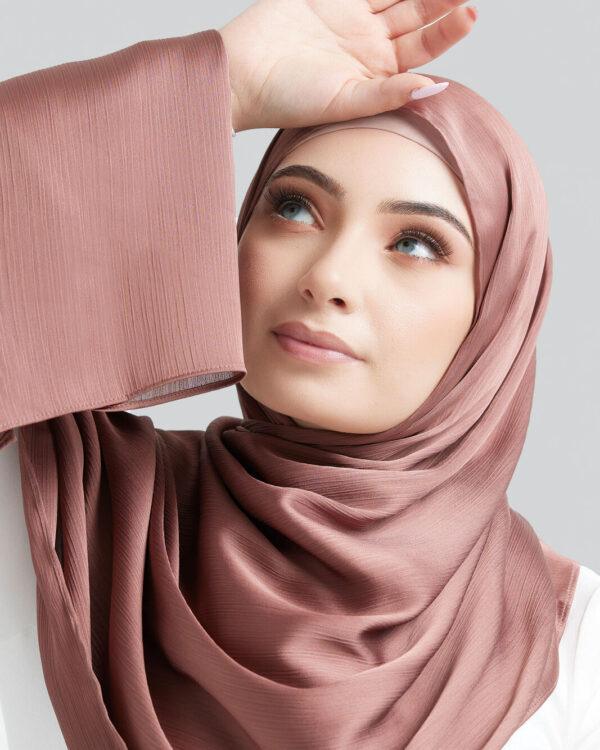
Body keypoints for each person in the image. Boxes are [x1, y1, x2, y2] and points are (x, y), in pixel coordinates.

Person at [0, 1, 598, 748]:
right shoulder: (59, 507)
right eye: (294, 208)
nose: (329, 276)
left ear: (497, 316)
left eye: (415, 244)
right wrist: (221, 86)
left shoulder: (578, 655)